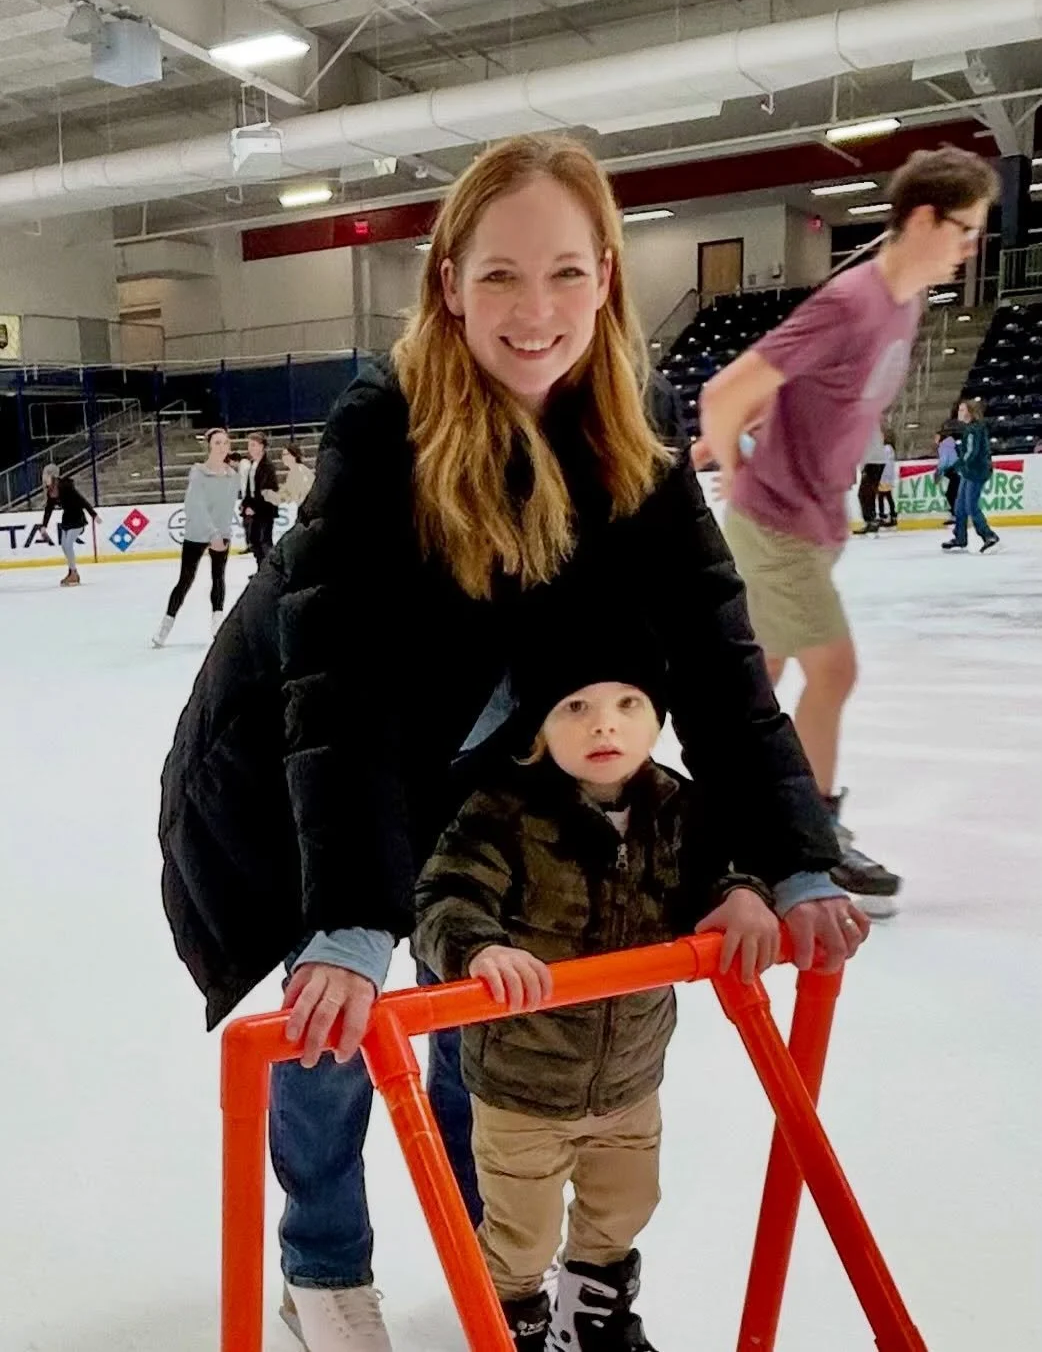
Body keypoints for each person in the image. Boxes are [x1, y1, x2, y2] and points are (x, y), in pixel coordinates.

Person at [159, 135, 865, 1352]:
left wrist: (790, 852)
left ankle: (501, 1252)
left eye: (564, 275)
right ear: (448, 283)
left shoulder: (625, 431)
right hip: (296, 768)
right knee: (336, 1021)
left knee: (473, 1005)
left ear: (606, 279)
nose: (533, 313)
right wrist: (348, 918)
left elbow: (713, 655)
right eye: (497, 276)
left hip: (476, 774)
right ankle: (323, 1262)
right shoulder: (384, 427)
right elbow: (341, 691)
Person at [414, 636, 816, 1352]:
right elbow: (445, 893)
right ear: (538, 726)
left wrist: (742, 894)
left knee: (624, 1207)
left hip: (631, 1074)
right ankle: (509, 1326)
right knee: (519, 1232)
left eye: (629, 704)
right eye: (578, 707)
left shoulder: (679, 805)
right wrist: (481, 945)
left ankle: (592, 1320)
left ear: (657, 718)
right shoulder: (502, 812)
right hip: (523, 1082)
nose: (606, 725)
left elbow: (720, 871)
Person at [699, 145, 999, 914]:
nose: (973, 245)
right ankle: (814, 838)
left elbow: (800, 391)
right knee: (832, 672)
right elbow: (726, 392)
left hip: (813, 524)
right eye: (965, 228)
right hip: (778, 525)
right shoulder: (854, 299)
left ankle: (729, 829)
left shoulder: (903, 305)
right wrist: (741, 476)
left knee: (753, 687)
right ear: (925, 219)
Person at [152, 428, 239, 647]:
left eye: (225, 443)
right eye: (217, 443)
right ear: (209, 445)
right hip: (197, 533)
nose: (222, 447)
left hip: (221, 534)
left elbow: (227, 508)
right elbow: (195, 505)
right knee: (185, 580)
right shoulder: (198, 472)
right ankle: (166, 625)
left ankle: (217, 622)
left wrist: (222, 533)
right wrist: (212, 533)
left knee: (218, 578)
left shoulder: (233, 476)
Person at [942, 398, 999, 553]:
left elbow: (971, 452)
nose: (959, 413)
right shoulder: (970, 429)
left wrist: (958, 465)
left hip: (977, 472)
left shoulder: (974, 430)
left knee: (971, 506)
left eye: (962, 410)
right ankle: (960, 537)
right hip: (970, 472)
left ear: (970, 412)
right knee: (960, 506)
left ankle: (989, 536)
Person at [39, 463, 102, 587]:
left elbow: (81, 499)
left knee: (68, 544)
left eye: (46, 475)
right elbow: (48, 509)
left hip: (77, 518)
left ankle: (74, 573)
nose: (43, 478)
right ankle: (72, 572)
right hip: (67, 519)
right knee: (64, 545)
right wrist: (43, 526)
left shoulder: (65, 486)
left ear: (52, 476)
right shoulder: (51, 491)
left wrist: (93, 515)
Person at [241, 430, 279, 565]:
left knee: (265, 541)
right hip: (255, 509)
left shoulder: (267, 466)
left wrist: (254, 507)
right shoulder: (253, 464)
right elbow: (249, 488)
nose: (250, 448)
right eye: (249, 445)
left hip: (265, 509)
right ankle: (262, 570)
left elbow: (266, 489)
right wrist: (246, 504)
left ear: (262, 446)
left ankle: (271, 571)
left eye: (253, 445)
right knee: (255, 541)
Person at [264, 441, 316, 507]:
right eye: (283, 455)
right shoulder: (293, 471)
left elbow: (297, 496)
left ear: (295, 456)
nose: (284, 457)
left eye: (287, 454)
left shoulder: (299, 469)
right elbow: (284, 493)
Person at [856, 427, 886, 535]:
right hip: (879, 461)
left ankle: (871, 520)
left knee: (863, 494)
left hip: (871, 462)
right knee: (869, 493)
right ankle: (871, 520)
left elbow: (864, 448)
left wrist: (863, 467)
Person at [934, 425, 961, 521]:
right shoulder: (948, 445)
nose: (934, 439)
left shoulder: (943, 446)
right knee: (952, 494)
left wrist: (938, 472)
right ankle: (955, 514)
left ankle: (956, 515)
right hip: (956, 472)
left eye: (936, 437)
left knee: (951, 495)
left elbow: (944, 461)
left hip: (954, 472)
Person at [877, 432, 898, 528]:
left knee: (883, 496)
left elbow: (883, 463)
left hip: (884, 476)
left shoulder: (885, 449)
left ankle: (884, 516)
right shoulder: (889, 449)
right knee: (887, 496)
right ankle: (892, 516)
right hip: (886, 476)